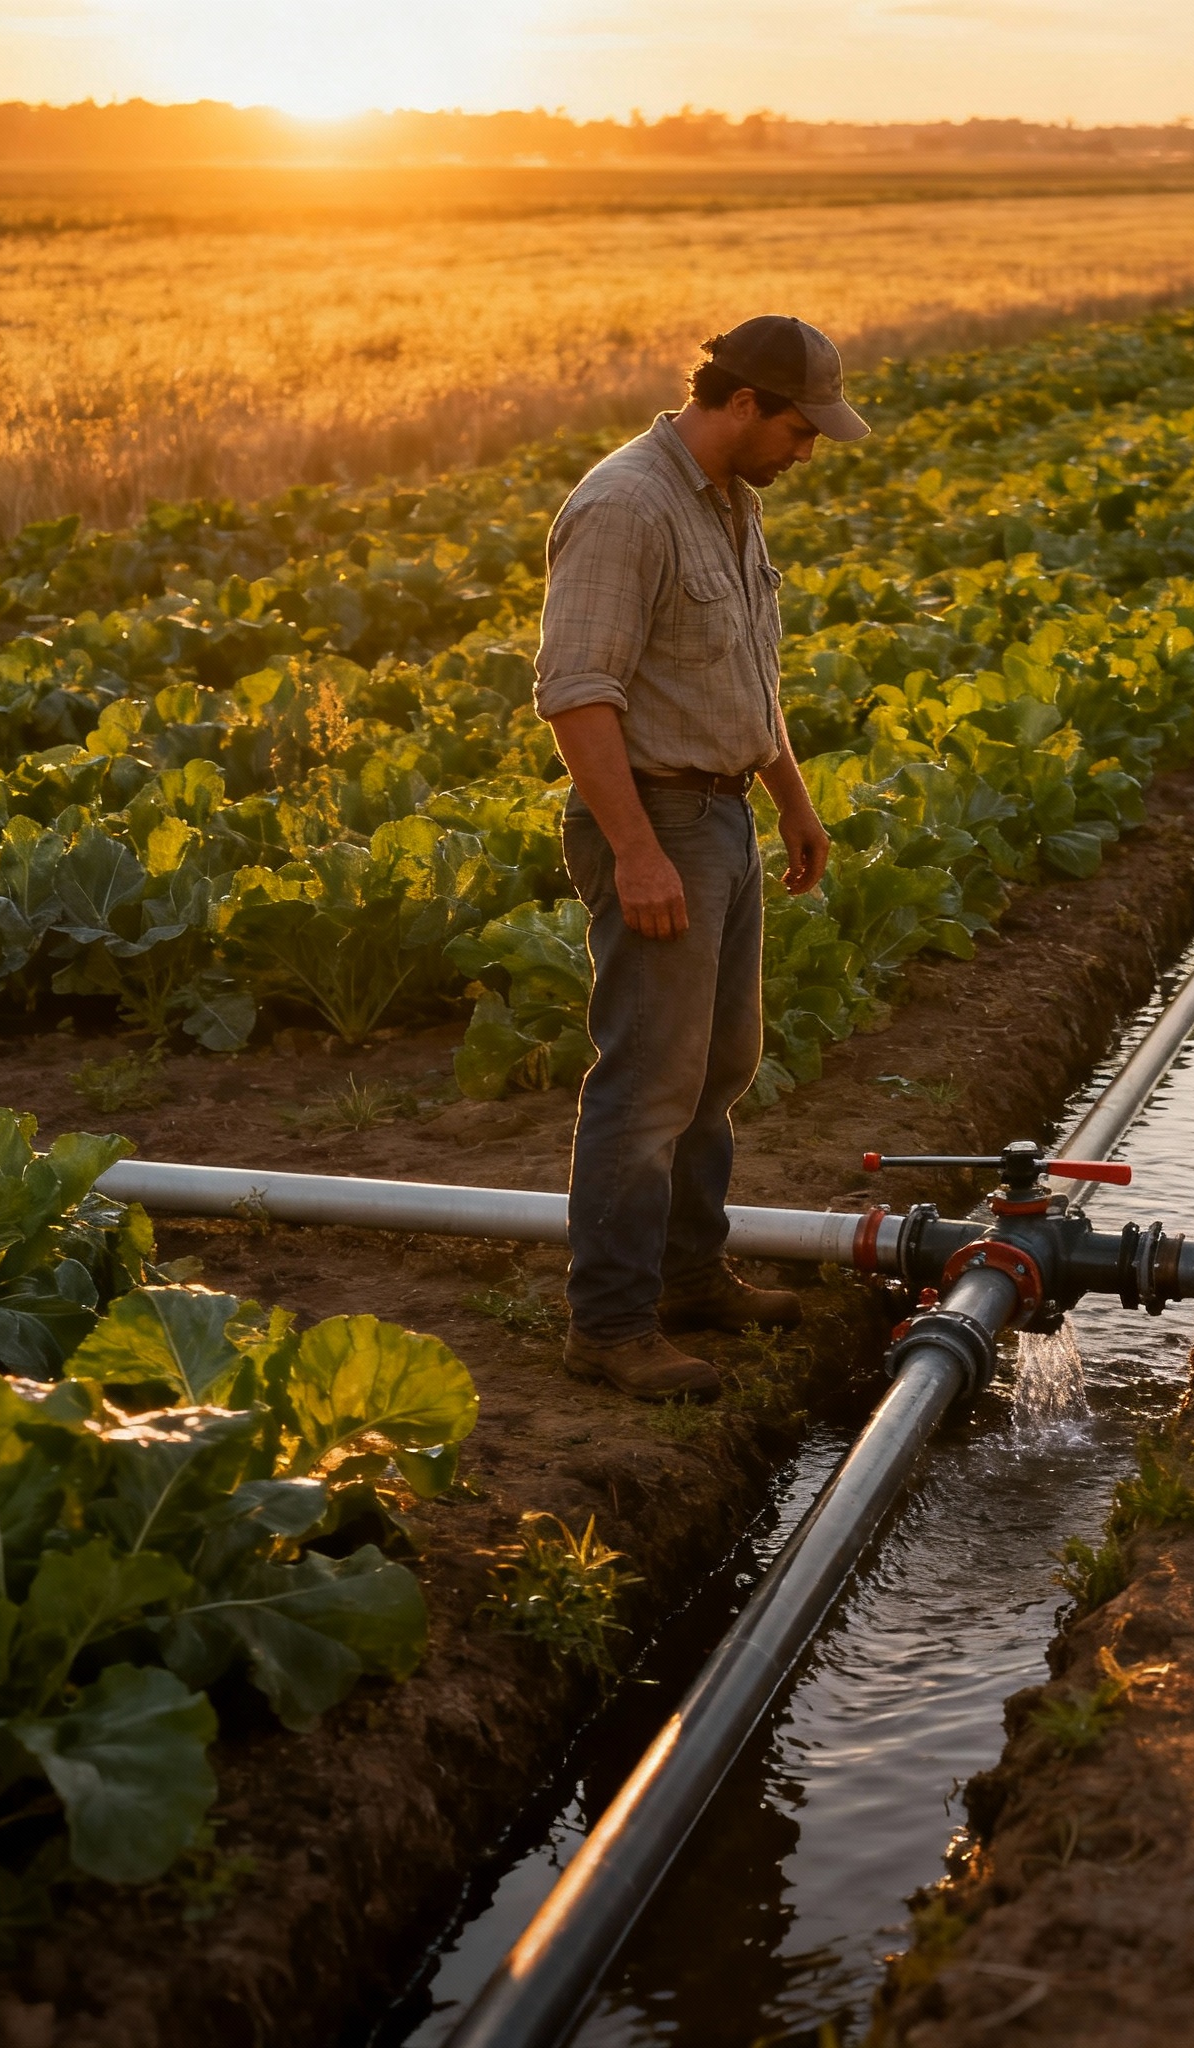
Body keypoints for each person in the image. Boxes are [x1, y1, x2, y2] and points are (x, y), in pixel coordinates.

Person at [534, 316, 868, 1399]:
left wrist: (793, 800)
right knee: (647, 1082)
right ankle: (612, 1322)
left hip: (721, 813)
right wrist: (635, 852)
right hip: (659, 818)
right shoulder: (623, 505)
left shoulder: (732, 503)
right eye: (798, 427)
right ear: (738, 404)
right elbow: (578, 695)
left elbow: (750, 677)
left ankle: (688, 1277)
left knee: (718, 1067)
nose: (806, 449)